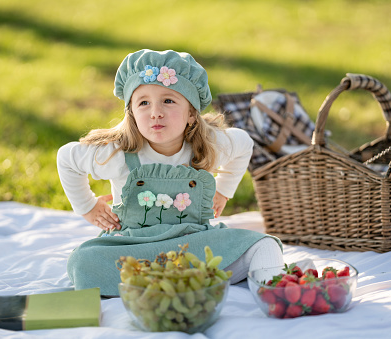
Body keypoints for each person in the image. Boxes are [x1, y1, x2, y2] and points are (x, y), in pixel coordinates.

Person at [57, 49, 283, 296]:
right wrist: (88, 207)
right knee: (83, 262)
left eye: (168, 100)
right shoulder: (117, 153)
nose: (155, 112)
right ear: (131, 113)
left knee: (265, 246)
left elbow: (244, 143)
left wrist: (223, 190)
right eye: (143, 102)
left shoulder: (208, 147)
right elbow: (67, 158)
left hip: (194, 245)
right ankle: (183, 283)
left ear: (191, 115)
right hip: (134, 250)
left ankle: (272, 296)